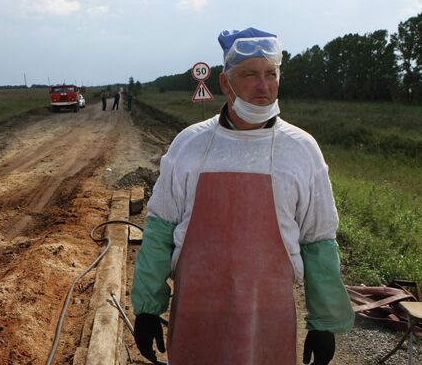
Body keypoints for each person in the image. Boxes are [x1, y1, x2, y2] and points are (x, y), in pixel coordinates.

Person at [131, 27, 354, 365]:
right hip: (196, 312)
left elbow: (318, 242)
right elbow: (160, 231)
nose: (264, 86)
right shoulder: (190, 145)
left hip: (269, 317)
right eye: (250, 74)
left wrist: (324, 323)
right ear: (225, 83)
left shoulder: (301, 150)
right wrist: (148, 309)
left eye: (271, 74)